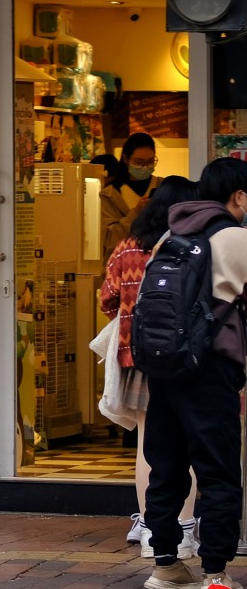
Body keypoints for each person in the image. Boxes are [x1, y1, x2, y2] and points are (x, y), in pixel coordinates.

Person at [143, 157, 247, 589]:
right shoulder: (234, 238)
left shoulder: (171, 233)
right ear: (239, 197)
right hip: (210, 369)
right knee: (218, 468)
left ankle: (165, 563)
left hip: (164, 369)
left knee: (165, 466)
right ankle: (216, 574)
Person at [99, 176, 199, 558]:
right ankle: (186, 528)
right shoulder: (188, 247)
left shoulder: (126, 250)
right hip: (180, 356)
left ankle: (148, 527)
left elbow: (107, 298)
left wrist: (127, 317)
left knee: (147, 444)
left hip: (135, 356)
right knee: (186, 441)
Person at [100, 133, 163, 267]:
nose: (145, 167)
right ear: (125, 159)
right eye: (139, 162)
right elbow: (110, 239)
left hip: (156, 264)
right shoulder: (110, 194)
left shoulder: (162, 186)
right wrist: (136, 213)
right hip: (123, 268)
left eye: (150, 161)